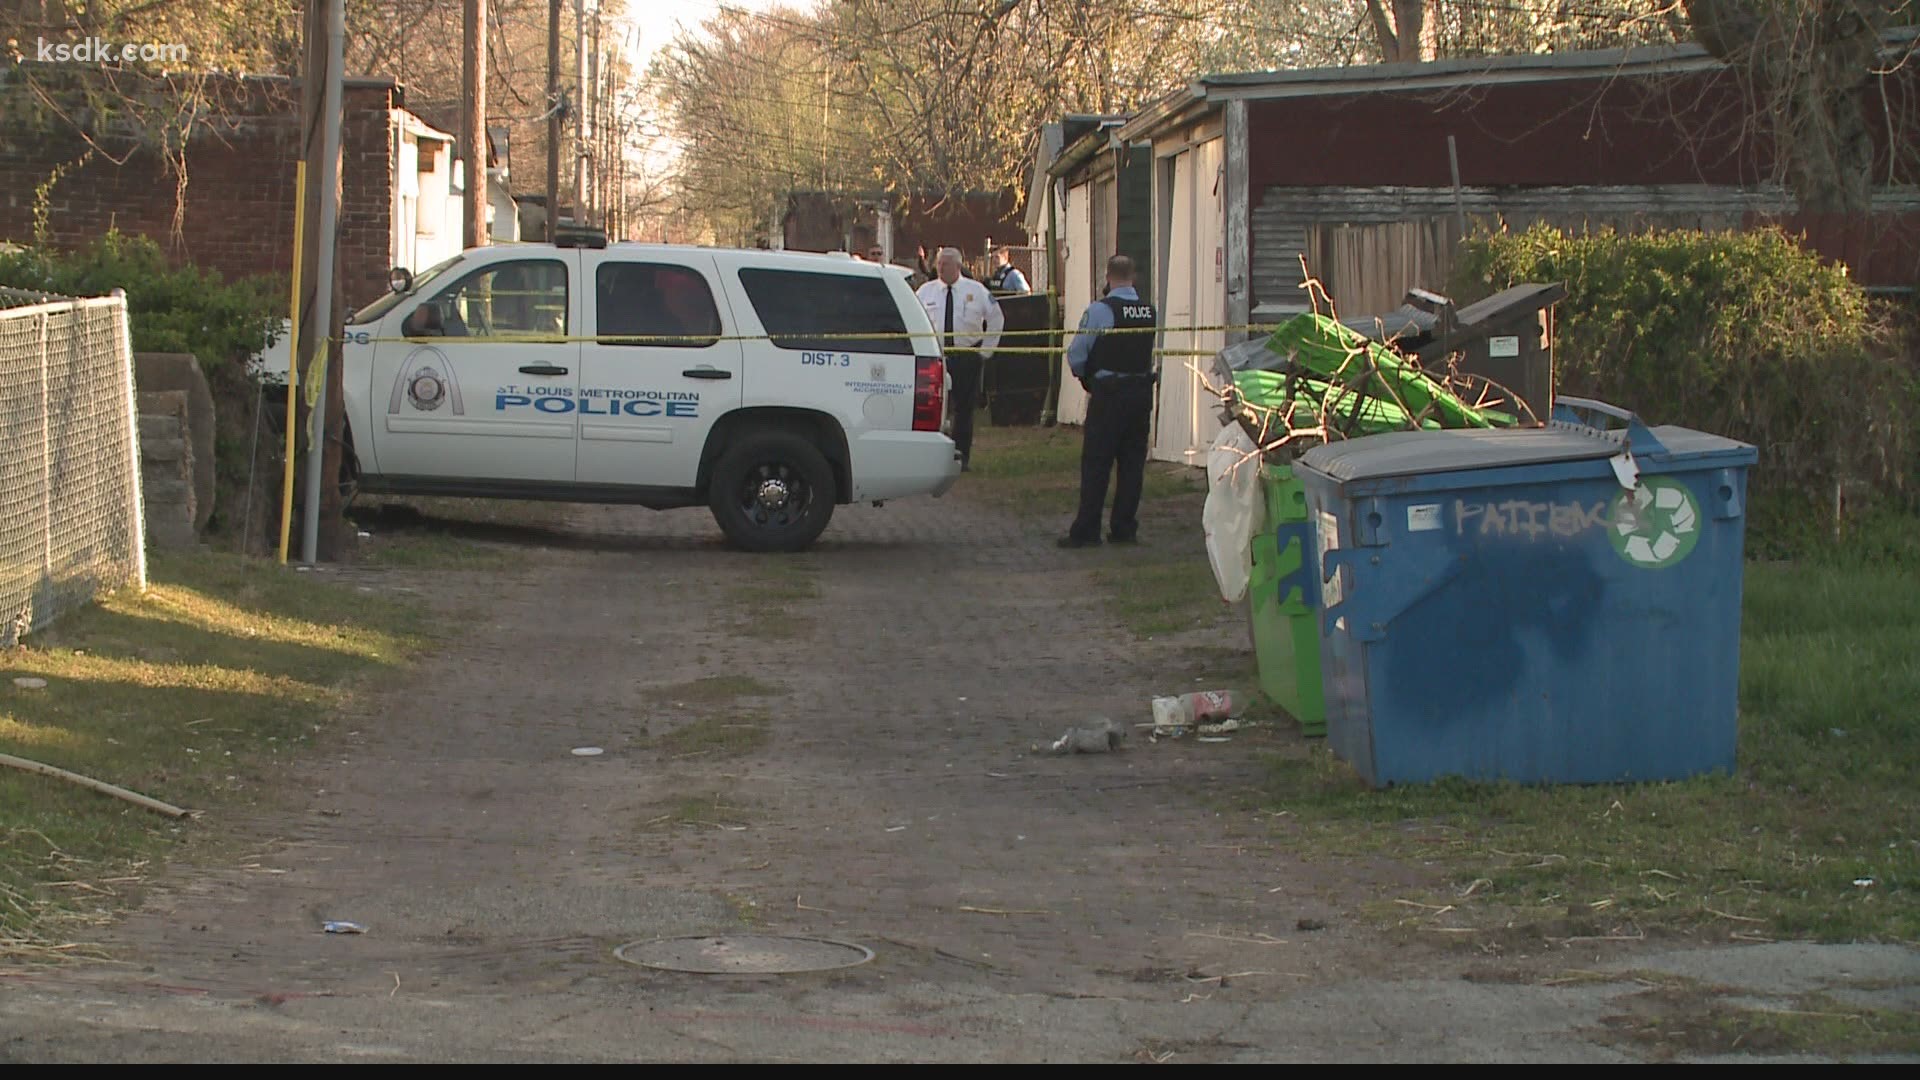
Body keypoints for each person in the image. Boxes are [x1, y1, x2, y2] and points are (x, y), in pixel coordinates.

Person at [1059, 254, 1157, 548]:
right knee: (1132, 465)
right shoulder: (1149, 311)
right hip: (1140, 394)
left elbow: (1077, 354)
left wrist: (1086, 378)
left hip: (1110, 395)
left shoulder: (1101, 311)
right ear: (1134, 277)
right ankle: (1124, 528)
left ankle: (1087, 531)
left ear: (1108, 277)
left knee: (1097, 463)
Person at [915, 246, 1004, 472]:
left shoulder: (976, 290)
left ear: (958, 266)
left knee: (964, 409)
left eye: (945, 264)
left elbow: (996, 318)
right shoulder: (925, 292)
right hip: (936, 357)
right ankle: (932, 457)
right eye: (938, 264)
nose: (940, 268)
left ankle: (961, 456)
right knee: (934, 407)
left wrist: (985, 351)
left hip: (966, 356)